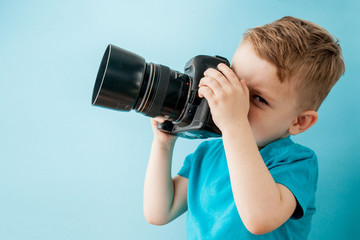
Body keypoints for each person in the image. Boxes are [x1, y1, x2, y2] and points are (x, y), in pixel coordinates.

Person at [143, 16, 345, 239]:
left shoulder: (296, 163)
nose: (236, 102)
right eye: (234, 84)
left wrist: (234, 124)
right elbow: (160, 212)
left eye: (258, 98)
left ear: (299, 122)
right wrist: (163, 144)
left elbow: (259, 219)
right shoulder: (207, 154)